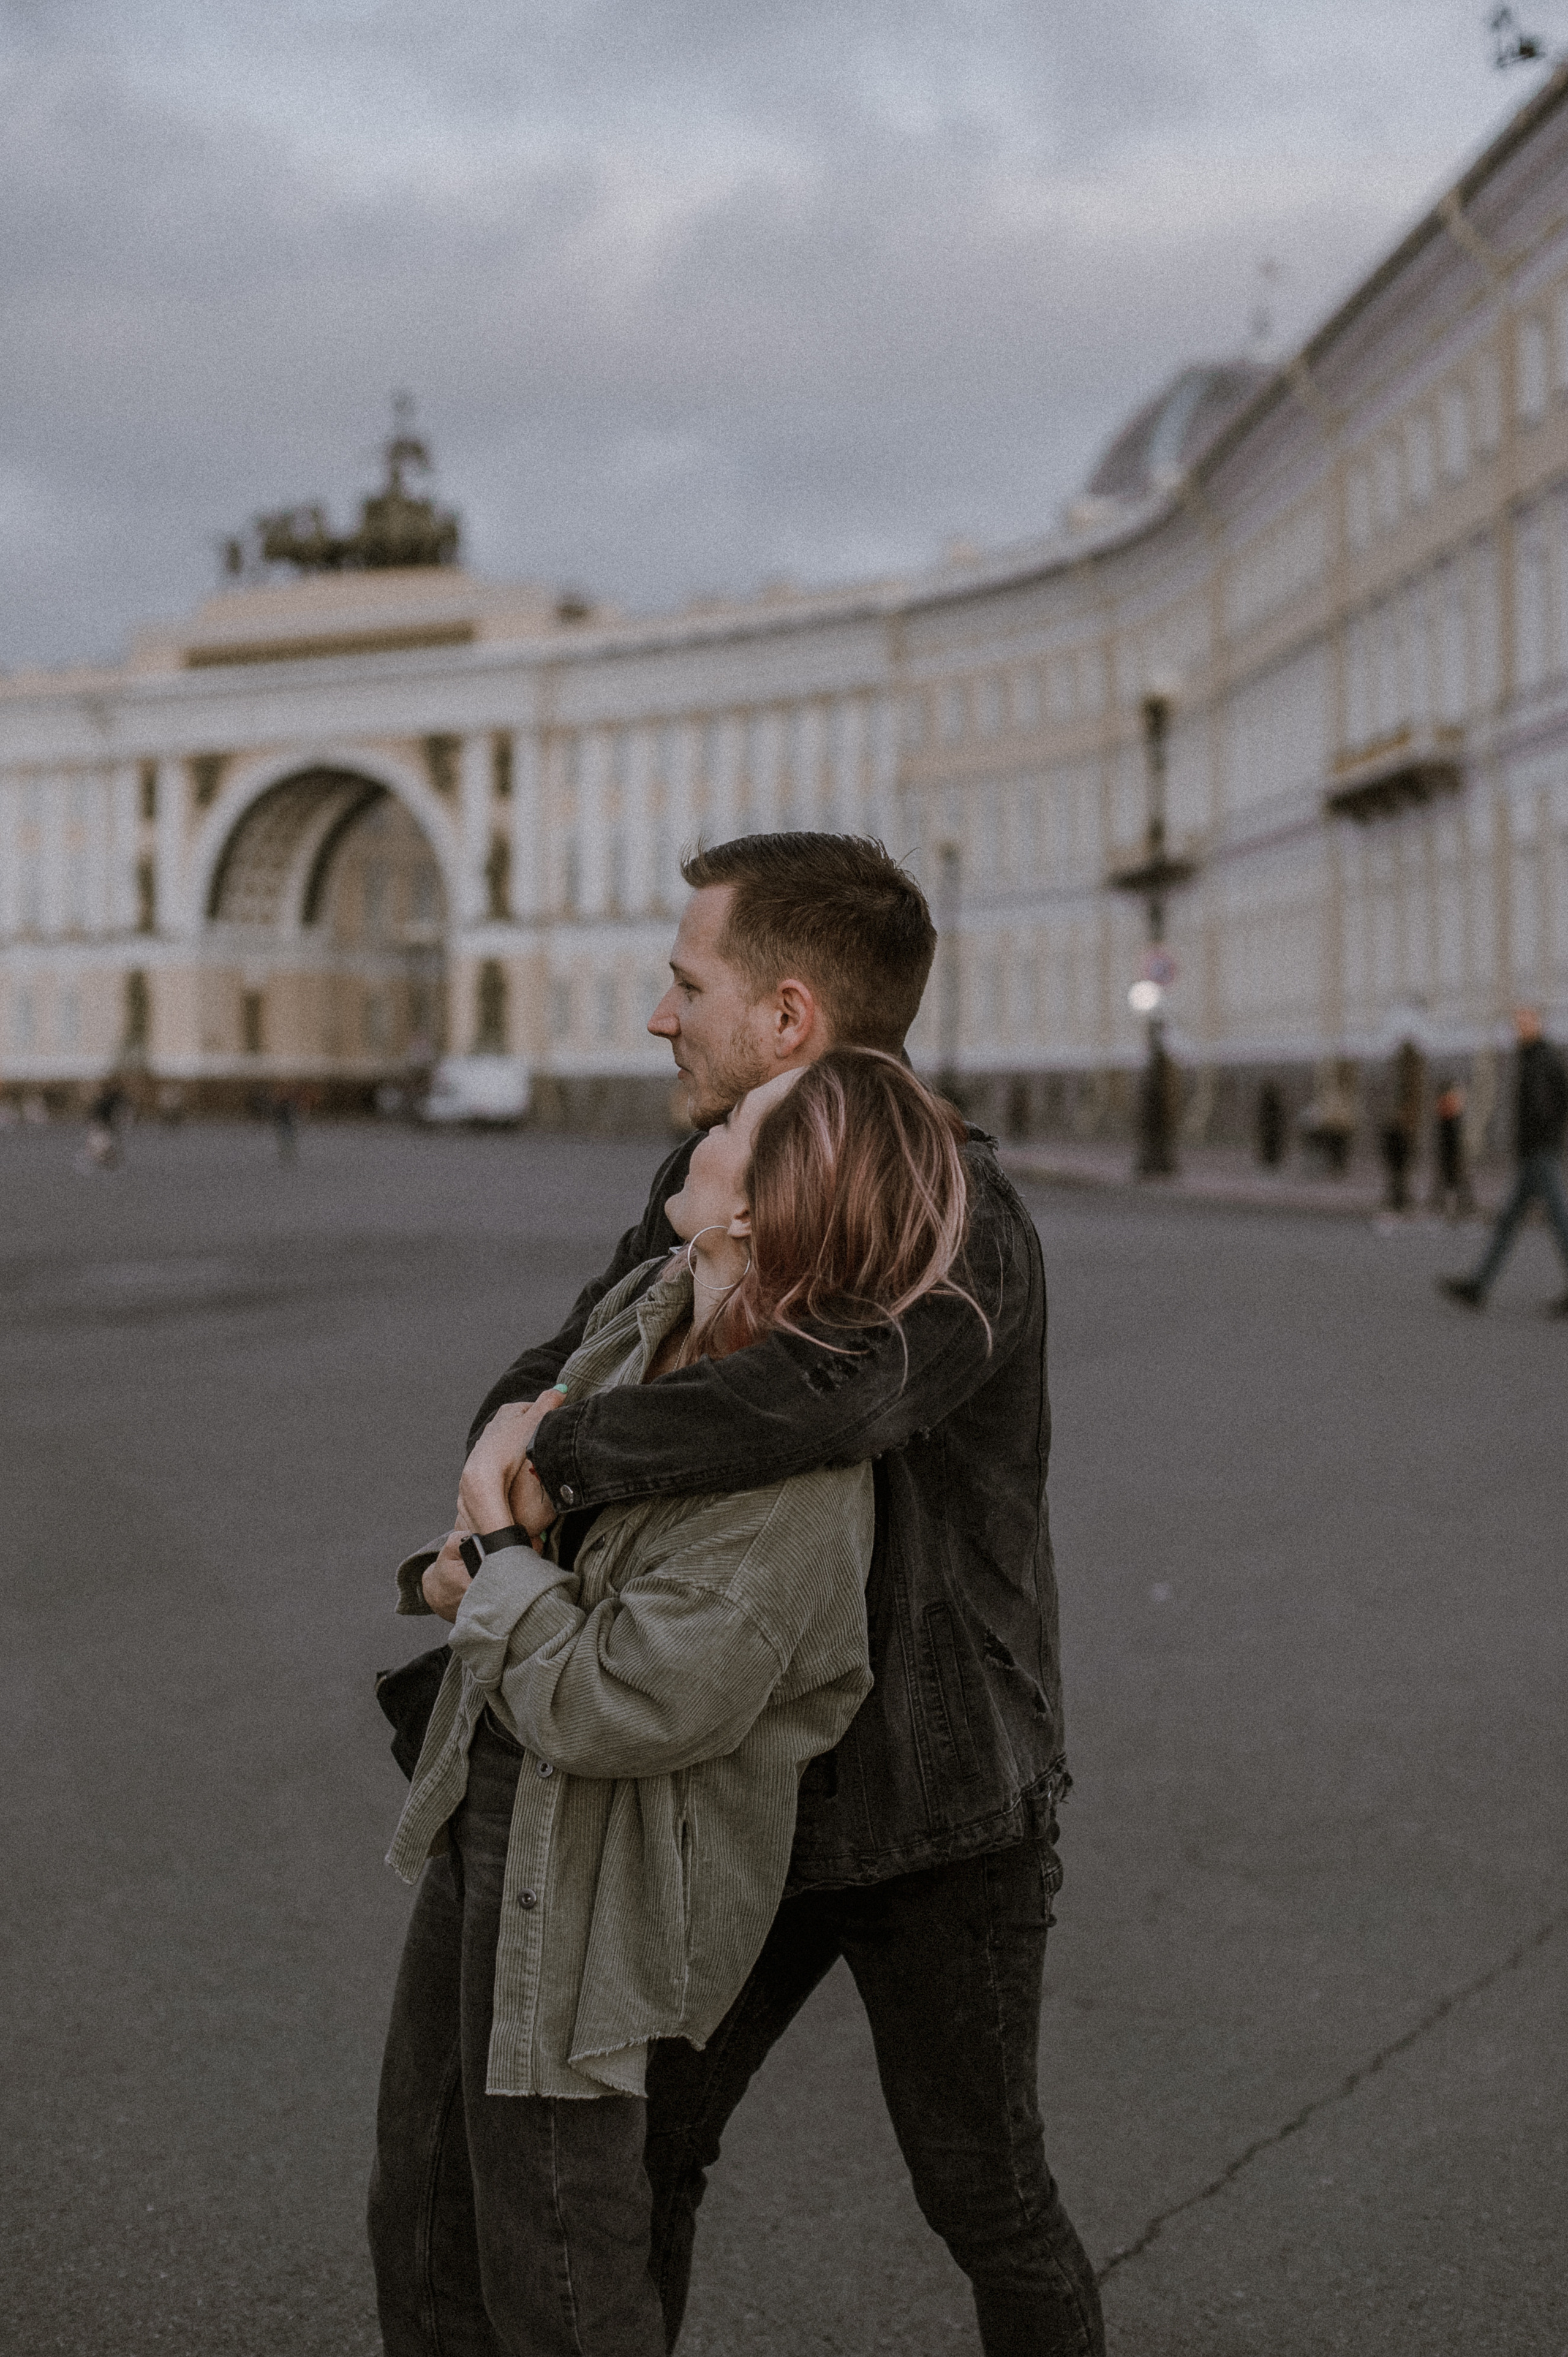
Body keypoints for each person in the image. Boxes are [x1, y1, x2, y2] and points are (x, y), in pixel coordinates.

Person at [443, 833, 1104, 2357]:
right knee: (649, 2157)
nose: (659, 1015)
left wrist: (554, 1457)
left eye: (688, 984)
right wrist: (518, 1432)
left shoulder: (959, 1206)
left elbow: (822, 1393)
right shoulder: (701, 1176)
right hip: (735, 1778)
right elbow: (576, 1348)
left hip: (936, 1802)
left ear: (788, 1016)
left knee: (986, 2195)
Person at [369, 1050, 987, 2355]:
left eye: (738, 1123)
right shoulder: (654, 1305)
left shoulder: (792, 1497)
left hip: (598, 1881)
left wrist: (491, 1559)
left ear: (753, 1208)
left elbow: (616, 1699)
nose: (705, 1122)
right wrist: (483, 1548)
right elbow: (518, 1459)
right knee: (424, 2212)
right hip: (497, 1793)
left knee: (558, 2266)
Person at [1440, 1007, 1568, 1312]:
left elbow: (1560, 1100)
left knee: (1559, 1221)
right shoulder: (1530, 1057)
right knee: (1509, 1222)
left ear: (1538, 1023)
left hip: (1541, 1153)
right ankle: (1478, 1286)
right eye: (1517, 1021)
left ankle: (1478, 1286)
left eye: (1526, 1021)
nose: (1519, 1026)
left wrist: (1548, 1134)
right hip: (1532, 1153)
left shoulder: (1545, 1058)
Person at [1428, 1080, 1475, 1219]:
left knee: (1450, 1179)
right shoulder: (1452, 1105)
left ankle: (1443, 1203)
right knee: (1457, 1180)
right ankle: (1464, 1204)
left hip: (1448, 1151)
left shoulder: (1444, 1106)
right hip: (1451, 1151)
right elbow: (1453, 1132)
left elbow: (1446, 1133)